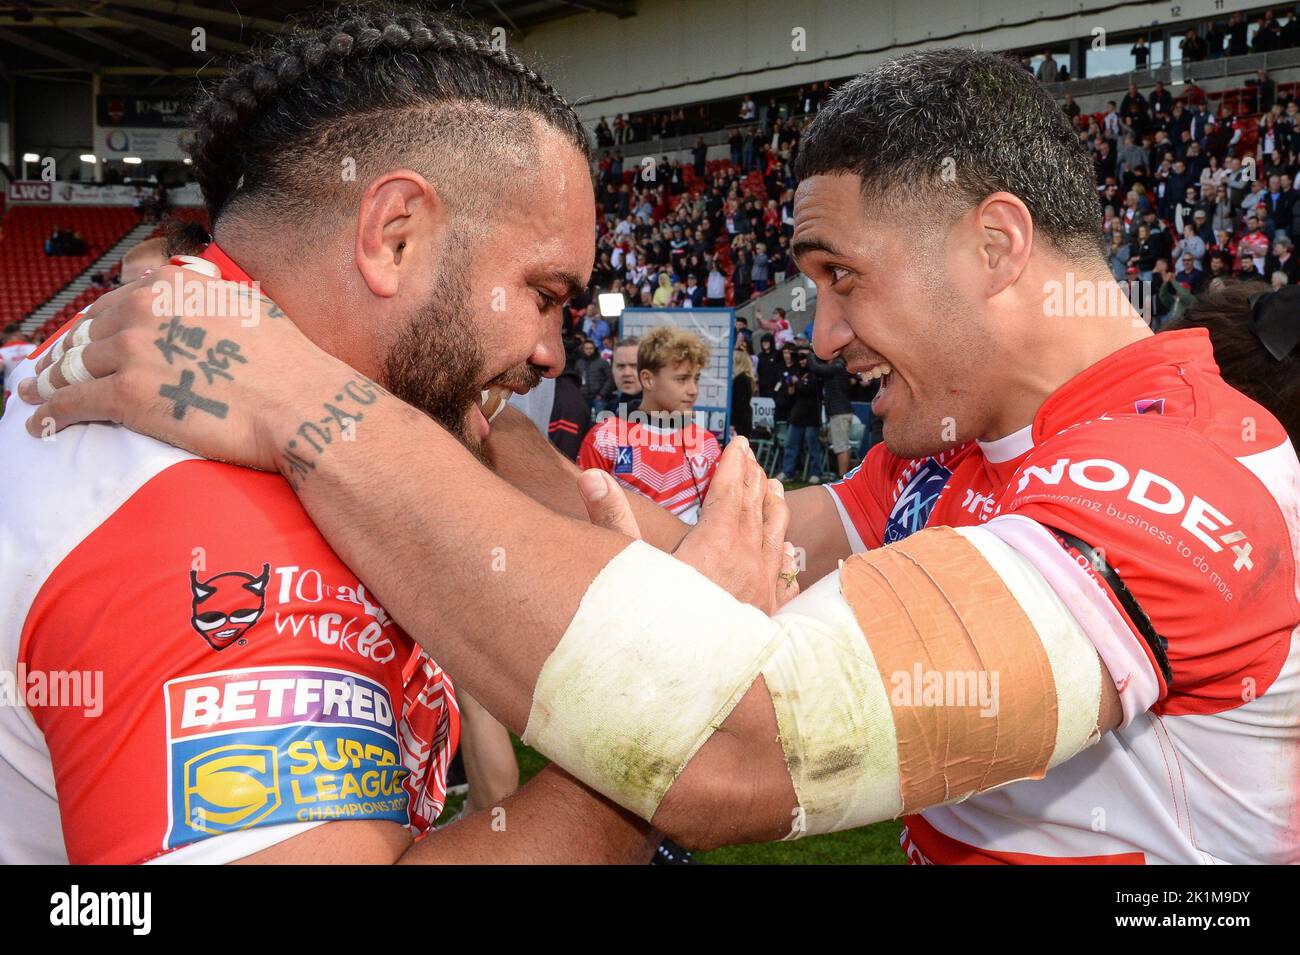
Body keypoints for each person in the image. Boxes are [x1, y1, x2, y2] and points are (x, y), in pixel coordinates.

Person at [25, 48, 1300, 865]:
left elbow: (749, 738)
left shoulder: (1190, 482)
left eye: (841, 278)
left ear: (998, 244)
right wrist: (449, 406)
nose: (822, 332)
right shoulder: (949, 455)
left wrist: (310, 398)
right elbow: (662, 555)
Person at [0, 7, 662, 865]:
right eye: (541, 293)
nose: (549, 351)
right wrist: (634, 766)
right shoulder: (209, 517)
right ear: (393, 238)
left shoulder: (221, 373)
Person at [577, 326, 722, 525]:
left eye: (695, 379)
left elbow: (717, 519)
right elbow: (581, 514)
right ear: (647, 379)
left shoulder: (706, 443)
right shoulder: (605, 437)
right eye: (682, 379)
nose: (693, 390)